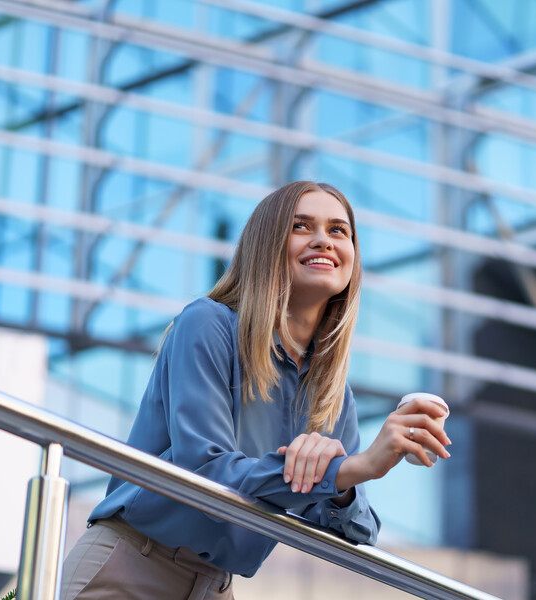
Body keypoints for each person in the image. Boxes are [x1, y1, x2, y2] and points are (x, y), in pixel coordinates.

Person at [59, 181, 452, 600]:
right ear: (267, 244)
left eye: (339, 230)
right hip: (133, 565)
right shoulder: (207, 324)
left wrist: (342, 488)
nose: (323, 239)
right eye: (302, 226)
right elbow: (203, 470)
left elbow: (355, 530)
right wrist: (354, 466)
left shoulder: (334, 396)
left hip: (215, 585)